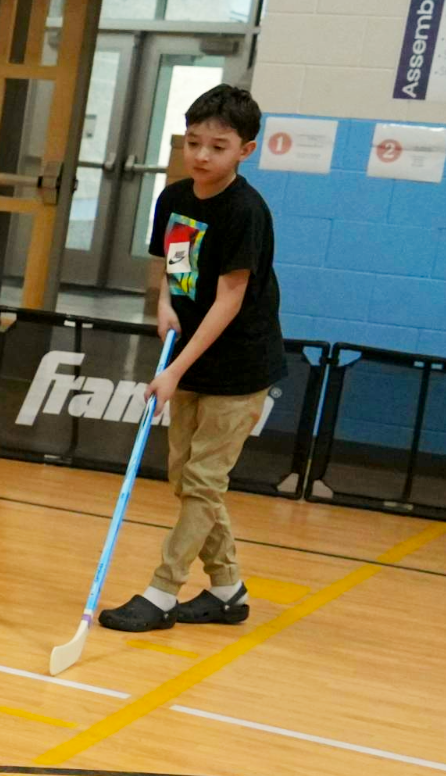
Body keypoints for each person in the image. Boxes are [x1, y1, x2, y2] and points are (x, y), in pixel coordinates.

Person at [100, 83, 287, 634]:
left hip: (240, 363)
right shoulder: (175, 199)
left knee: (204, 483)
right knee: (187, 480)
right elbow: (175, 268)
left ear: (245, 150)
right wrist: (164, 304)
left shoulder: (247, 212)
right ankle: (227, 589)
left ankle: (161, 592)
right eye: (194, 143)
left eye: (218, 146)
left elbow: (230, 298)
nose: (202, 156)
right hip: (189, 351)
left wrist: (173, 370)